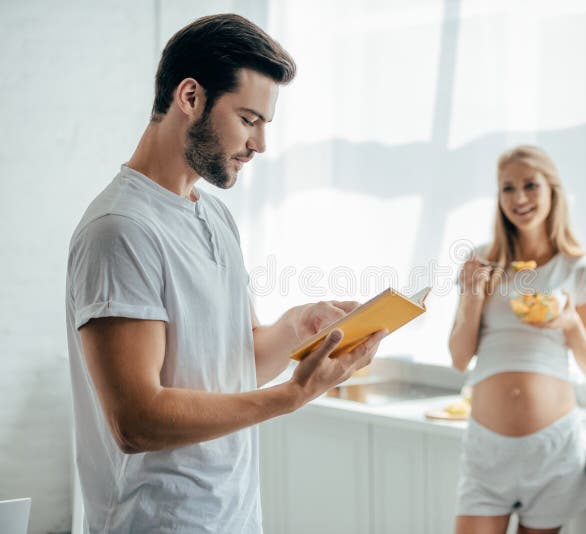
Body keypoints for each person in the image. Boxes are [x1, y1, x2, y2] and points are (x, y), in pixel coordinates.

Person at [65, 14, 387, 533]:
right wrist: (292, 396)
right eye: (249, 119)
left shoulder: (212, 214)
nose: (259, 144)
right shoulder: (120, 230)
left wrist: (299, 326)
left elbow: (235, 366)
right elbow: (137, 420)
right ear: (189, 97)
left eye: (264, 125)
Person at [449, 145, 586, 534]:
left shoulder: (580, 270)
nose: (519, 198)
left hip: (551, 451)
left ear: (552, 190)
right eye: (507, 188)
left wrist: (571, 324)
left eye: (530, 185)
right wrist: (472, 297)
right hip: (487, 450)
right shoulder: (481, 262)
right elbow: (458, 358)